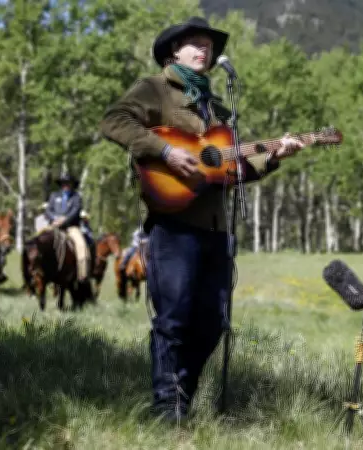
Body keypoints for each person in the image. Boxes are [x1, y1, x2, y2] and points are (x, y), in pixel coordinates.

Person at [99, 16, 305, 422]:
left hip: (216, 230)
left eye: (208, 46)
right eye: (194, 43)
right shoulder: (154, 89)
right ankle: (166, 409)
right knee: (173, 320)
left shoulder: (217, 108)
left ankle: (181, 397)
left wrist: (275, 154)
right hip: (173, 225)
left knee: (213, 323)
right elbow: (113, 121)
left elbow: (229, 169)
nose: (203, 50)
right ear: (174, 50)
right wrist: (164, 151)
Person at [44, 173, 90, 282]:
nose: (66, 185)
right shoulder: (54, 196)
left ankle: (82, 275)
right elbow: (48, 210)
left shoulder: (76, 197)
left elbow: (75, 212)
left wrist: (64, 220)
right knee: (38, 240)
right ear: (61, 184)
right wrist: (54, 219)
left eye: (68, 183)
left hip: (71, 227)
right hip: (54, 226)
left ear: (72, 185)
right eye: (64, 183)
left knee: (81, 246)